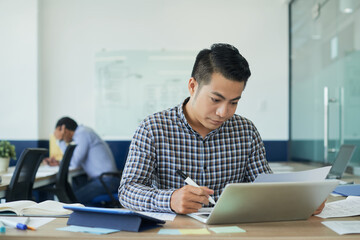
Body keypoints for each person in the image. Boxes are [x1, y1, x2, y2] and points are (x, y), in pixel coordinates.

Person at [119, 43, 272, 214]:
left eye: (234, 102)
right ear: (192, 86)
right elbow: (127, 190)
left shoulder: (246, 131)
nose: (223, 112)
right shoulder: (153, 129)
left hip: (231, 231)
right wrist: (169, 200)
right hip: (173, 232)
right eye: (215, 99)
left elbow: (266, 189)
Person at [44, 117, 119, 206]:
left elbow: (74, 162)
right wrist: (60, 162)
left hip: (107, 181)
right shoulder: (83, 133)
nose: (56, 134)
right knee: (72, 193)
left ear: (63, 129)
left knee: (72, 199)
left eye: (57, 131)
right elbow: (74, 160)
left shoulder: (82, 133)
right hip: (105, 180)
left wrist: (60, 140)